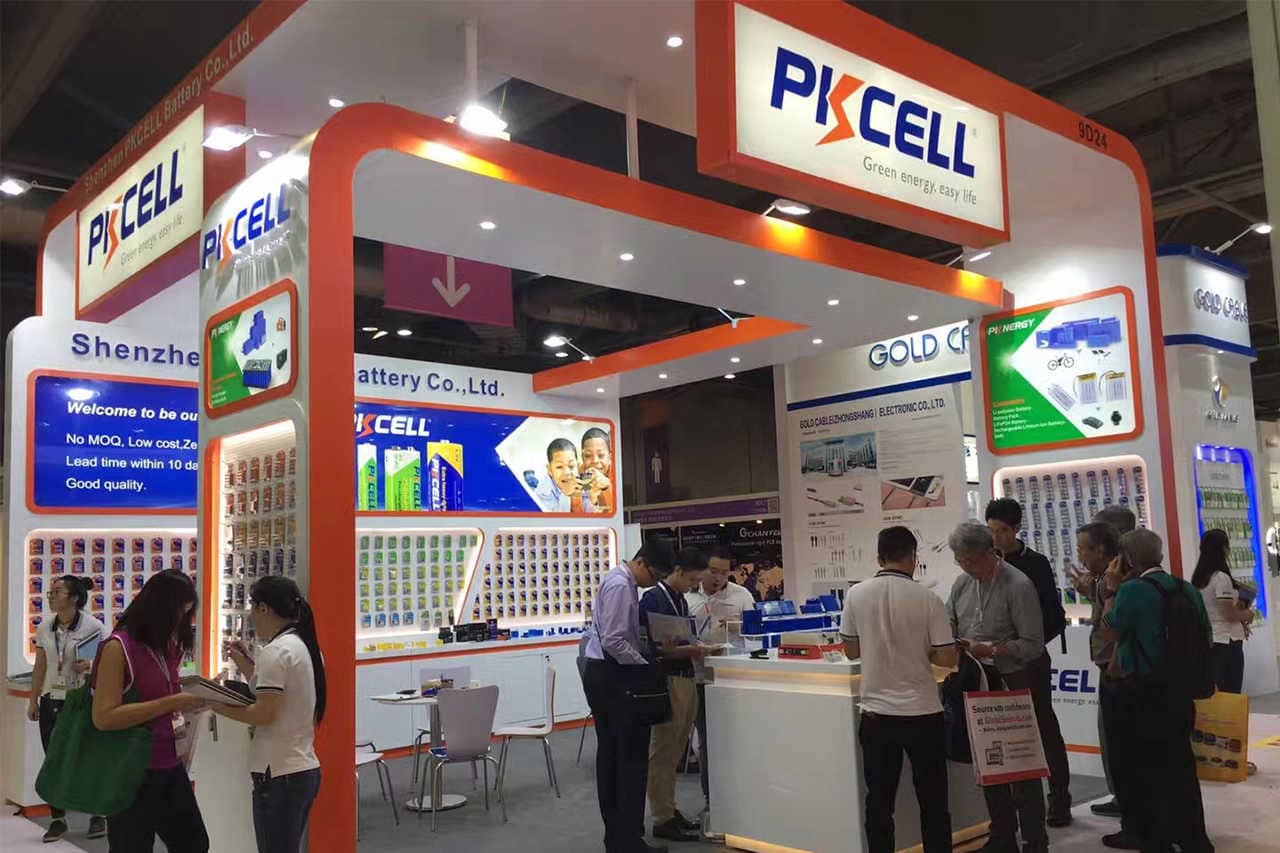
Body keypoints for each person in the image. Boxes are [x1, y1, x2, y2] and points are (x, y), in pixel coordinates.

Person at [842, 527, 958, 853]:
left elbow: (851, 651)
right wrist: (923, 651)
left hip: (876, 715)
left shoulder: (856, 595)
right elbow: (947, 658)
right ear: (914, 558)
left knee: (879, 802)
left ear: (879, 557)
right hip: (923, 713)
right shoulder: (929, 599)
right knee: (934, 800)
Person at [1101, 529, 1213, 853]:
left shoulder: (1131, 591)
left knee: (1147, 770)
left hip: (1143, 691)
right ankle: (1193, 839)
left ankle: (1157, 841)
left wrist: (1111, 591)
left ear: (1127, 559)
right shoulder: (1185, 588)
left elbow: (1110, 631)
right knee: (1181, 766)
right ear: (1160, 555)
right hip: (1181, 691)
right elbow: (1205, 635)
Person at [946, 522, 1047, 853]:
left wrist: (992, 649)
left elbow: (1033, 644)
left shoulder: (1018, 585)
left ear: (990, 552)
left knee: (1021, 763)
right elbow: (950, 621)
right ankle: (1002, 835)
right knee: (989, 762)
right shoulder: (962, 584)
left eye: (972, 560)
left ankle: (1035, 839)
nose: (966, 567)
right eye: (960, 561)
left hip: (1011, 680)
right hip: (976, 681)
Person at [91, 569, 209, 853]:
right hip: (130, 770)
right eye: (178, 613)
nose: (180, 622)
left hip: (169, 763)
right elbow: (104, 717)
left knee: (194, 843)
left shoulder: (165, 647)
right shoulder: (118, 647)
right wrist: (172, 703)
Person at [210, 576, 326, 853]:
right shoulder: (304, 647)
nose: (251, 616)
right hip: (300, 767)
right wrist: (244, 662)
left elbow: (264, 713)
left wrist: (214, 704)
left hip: (278, 774)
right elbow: (272, 692)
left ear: (263, 608)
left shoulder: (276, 651)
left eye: (252, 607)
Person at [582, 536, 678, 853]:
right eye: (655, 576)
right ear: (641, 562)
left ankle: (623, 839)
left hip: (610, 675)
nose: (654, 583)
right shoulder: (620, 585)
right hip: (613, 677)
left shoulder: (621, 582)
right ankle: (625, 840)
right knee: (626, 760)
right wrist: (645, 666)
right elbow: (614, 641)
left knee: (620, 758)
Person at [985, 498, 1072, 827]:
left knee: (1044, 727)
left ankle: (1059, 798)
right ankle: (1014, 807)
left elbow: (1054, 616)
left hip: (1030, 661)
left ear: (1016, 529)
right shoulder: (986, 563)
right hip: (995, 662)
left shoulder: (1034, 564)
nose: (996, 538)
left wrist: (1027, 646)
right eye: (991, 531)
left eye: (1002, 531)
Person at [28, 576, 107, 842]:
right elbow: (40, 665)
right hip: (52, 698)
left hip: (81, 699)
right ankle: (57, 819)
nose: (51, 596)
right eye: (50, 592)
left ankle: (98, 814)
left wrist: (91, 665)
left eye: (57, 592)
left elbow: (108, 663)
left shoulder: (94, 626)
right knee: (53, 759)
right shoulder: (45, 627)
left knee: (89, 757)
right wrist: (33, 699)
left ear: (74, 598)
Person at [640, 547, 710, 842]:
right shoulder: (653, 599)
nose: (694, 585)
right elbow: (652, 646)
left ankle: (669, 808)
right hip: (666, 679)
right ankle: (662, 816)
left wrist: (692, 647)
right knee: (664, 751)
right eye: (692, 579)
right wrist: (687, 649)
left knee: (676, 749)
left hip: (685, 676)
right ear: (678, 571)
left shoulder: (679, 599)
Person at [684, 547, 756, 816]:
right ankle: (712, 801)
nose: (718, 578)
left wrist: (739, 626)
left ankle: (744, 796)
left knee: (738, 739)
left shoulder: (742, 595)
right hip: (699, 677)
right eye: (713, 571)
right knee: (708, 741)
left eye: (724, 573)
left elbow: (756, 634)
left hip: (734, 677)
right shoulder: (687, 596)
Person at [1069, 522, 1128, 826]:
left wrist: (1114, 665)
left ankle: (1127, 801)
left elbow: (1111, 627)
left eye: (1082, 549)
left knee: (1117, 739)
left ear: (1101, 549)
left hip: (1115, 670)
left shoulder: (1112, 581)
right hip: (1112, 668)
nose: (1079, 556)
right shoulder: (1104, 580)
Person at [1191, 529, 1253, 694]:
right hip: (1227, 642)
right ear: (1224, 549)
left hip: (1210, 639)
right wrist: (1247, 615)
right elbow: (1228, 614)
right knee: (1231, 693)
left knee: (1217, 694)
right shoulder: (1221, 578)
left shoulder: (1198, 579)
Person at [535, 438, 592, 512]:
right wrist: (566, 494)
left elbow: (591, 510)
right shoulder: (544, 490)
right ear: (549, 470)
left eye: (571, 466)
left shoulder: (584, 481)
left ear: (578, 467)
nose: (566, 472)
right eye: (559, 467)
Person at [581, 427, 616, 515]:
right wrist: (592, 500)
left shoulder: (617, 474)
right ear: (582, 457)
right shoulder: (580, 475)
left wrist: (607, 486)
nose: (595, 461)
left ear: (610, 457)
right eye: (588, 455)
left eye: (600, 455)